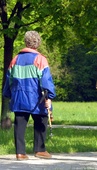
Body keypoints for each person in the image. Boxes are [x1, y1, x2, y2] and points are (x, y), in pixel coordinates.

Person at [3, 31, 56, 161]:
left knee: (20, 124)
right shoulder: (40, 59)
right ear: (37, 43)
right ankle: (40, 149)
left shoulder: (15, 59)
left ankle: (20, 153)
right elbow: (46, 80)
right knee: (41, 120)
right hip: (36, 98)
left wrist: (7, 94)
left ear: (26, 42)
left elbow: (9, 79)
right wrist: (49, 96)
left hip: (19, 97)